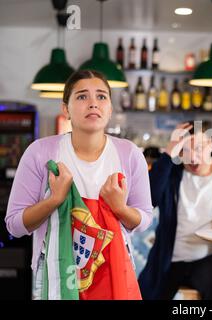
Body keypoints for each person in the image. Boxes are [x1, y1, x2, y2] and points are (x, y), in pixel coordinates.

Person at [5, 70, 152, 300]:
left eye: (102, 97)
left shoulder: (129, 154)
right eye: (82, 96)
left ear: (110, 108)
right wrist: (53, 200)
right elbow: (14, 225)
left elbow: (144, 220)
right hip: (55, 277)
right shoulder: (40, 153)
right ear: (66, 109)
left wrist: (120, 208)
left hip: (114, 274)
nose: (93, 103)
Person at [138, 122, 212, 300]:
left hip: (211, 257)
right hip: (169, 259)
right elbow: (149, 198)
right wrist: (168, 152)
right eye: (185, 150)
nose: (193, 158)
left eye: (198, 148)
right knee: (146, 292)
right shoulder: (172, 173)